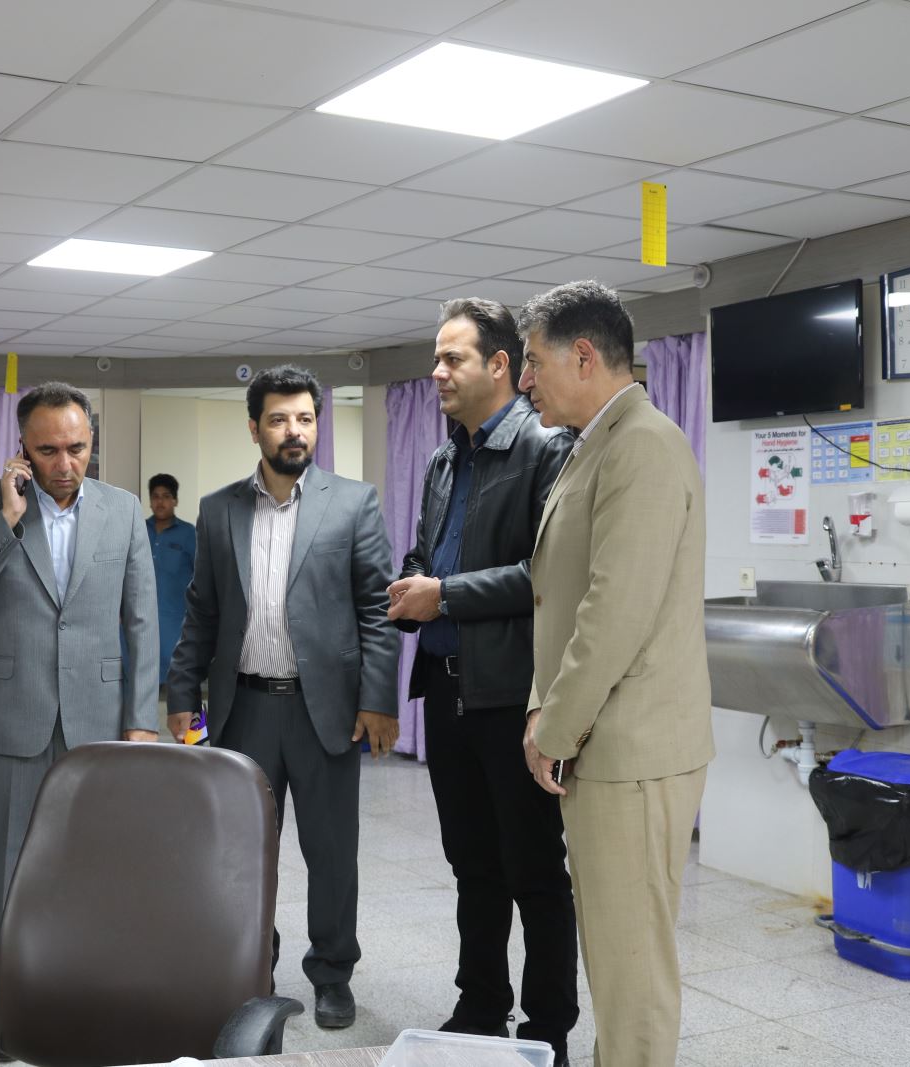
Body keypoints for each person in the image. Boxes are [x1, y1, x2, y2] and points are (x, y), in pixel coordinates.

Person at [166, 364, 399, 1031]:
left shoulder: (353, 503)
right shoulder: (219, 510)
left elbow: (377, 609)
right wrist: (182, 692)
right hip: (244, 711)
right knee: (242, 851)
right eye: (278, 419)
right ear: (254, 428)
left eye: (304, 418)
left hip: (326, 712)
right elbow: (202, 612)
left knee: (332, 852)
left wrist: (377, 700)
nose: (294, 430)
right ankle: (251, 966)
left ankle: (332, 973)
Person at [516, 281, 714, 1067]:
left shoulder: (643, 445)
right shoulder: (597, 442)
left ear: (583, 356)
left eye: (533, 362)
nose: (525, 379)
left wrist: (553, 728)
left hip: (631, 752)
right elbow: (560, 594)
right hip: (606, 744)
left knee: (632, 978)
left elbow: (614, 611)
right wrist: (544, 709)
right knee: (613, 958)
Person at [0, 381, 158, 1063]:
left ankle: (82, 994)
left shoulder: (123, 509)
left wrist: (141, 720)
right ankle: (11, 1007)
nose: (65, 463)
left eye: (78, 448)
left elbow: (142, 619)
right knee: (10, 867)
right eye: (49, 450)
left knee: (93, 868)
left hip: (98, 719)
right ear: (22, 450)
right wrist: (7, 518)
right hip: (11, 717)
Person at [387, 299, 577, 1065]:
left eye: (451, 358)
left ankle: (548, 1025)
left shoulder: (545, 447)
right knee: (472, 864)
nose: (436, 372)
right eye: (436, 358)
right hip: (446, 691)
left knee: (534, 871)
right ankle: (481, 1003)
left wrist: (446, 594)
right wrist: (412, 584)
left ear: (499, 365)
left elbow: (548, 573)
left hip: (511, 697)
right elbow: (427, 552)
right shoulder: (444, 460)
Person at [145, 473, 197, 686]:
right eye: (155, 496)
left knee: (179, 683)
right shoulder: (138, 530)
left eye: (166, 496)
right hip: (140, 620)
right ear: (150, 501)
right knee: (140, 679)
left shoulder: (189, 533)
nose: (160, 502)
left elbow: (201, 577)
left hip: (176, 622)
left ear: (175, 500)